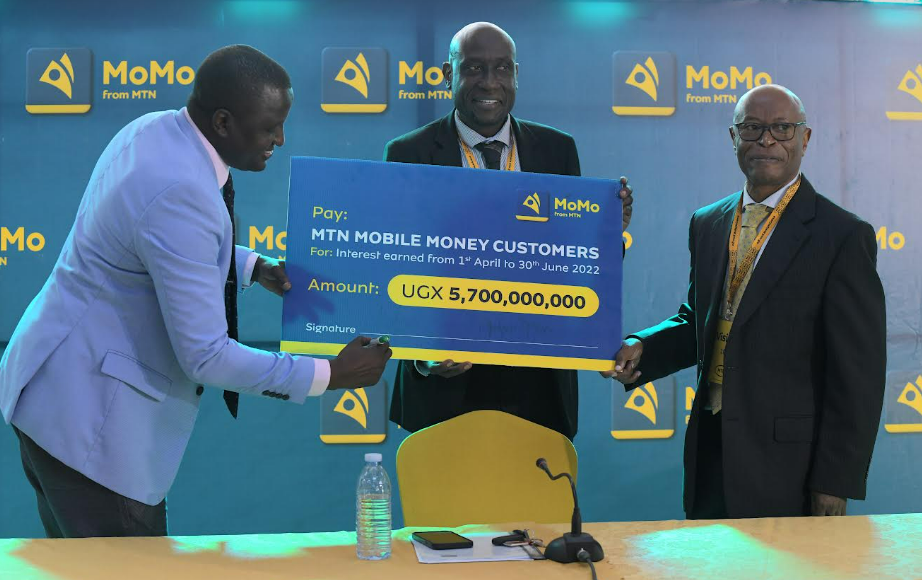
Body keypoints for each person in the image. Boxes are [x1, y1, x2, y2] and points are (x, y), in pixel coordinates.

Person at [0, 45, 391, 538]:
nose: (280, 139)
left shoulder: (155, 129)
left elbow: (148, 239)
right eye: (270, 127)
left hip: (51, 397)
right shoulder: (182, 189)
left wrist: (252, 266)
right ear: (223, 122)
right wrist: (330, 373)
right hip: (92, 433)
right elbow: (206, 357)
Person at [608, 84, 886, 518]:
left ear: (805, 138)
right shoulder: (708, 223)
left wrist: (835, 480)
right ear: (733, 137)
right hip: (711, 449)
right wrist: (643, 346)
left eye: (782, 128)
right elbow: (700, 319)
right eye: (752, 128)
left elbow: (858, 375)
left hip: (792, 467)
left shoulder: (843, 236)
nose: (767, 140)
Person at [384, 22, 634, 440]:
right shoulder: (408, 154)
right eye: (473, 68)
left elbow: (574, 263)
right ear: (447, 75)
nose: (490, 82)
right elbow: (392, 267)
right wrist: (422, 358)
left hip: (538, 388)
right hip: (445, 389)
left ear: (516, 74)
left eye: (502, 68)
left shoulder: (557, 150)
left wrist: (606, 237)